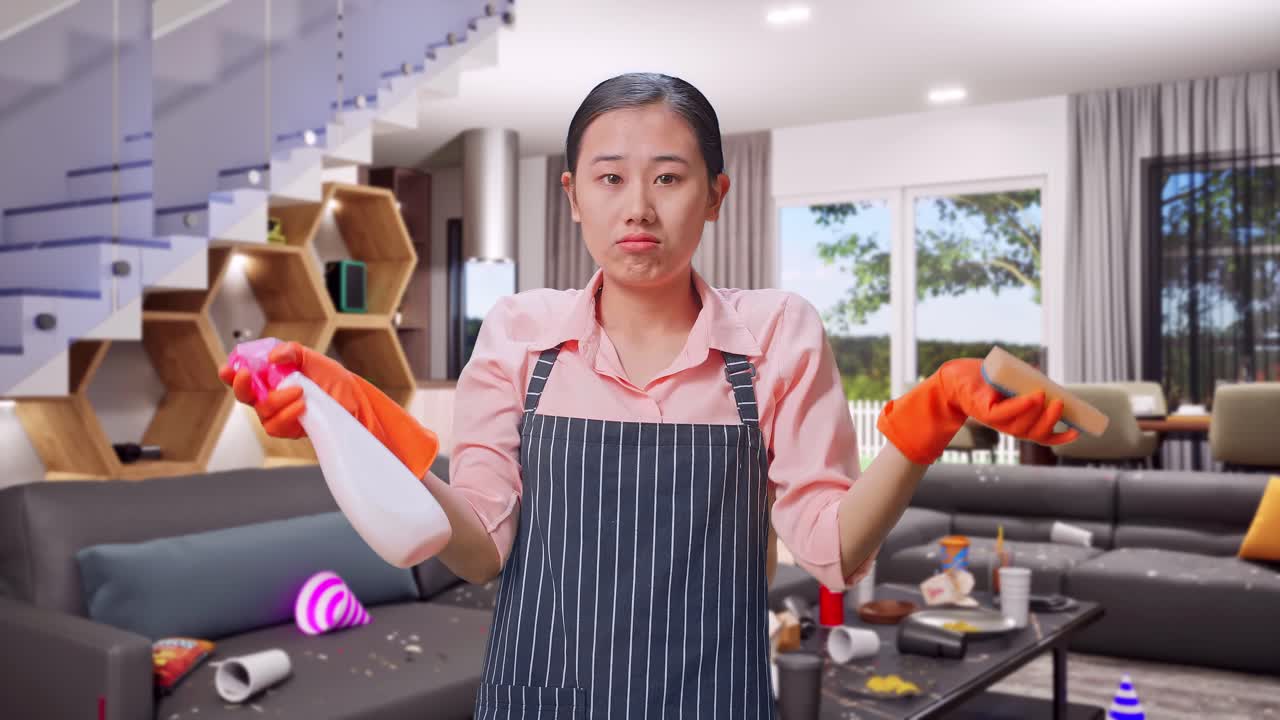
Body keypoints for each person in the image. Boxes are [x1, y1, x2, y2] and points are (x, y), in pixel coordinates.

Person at [220, 72, 1078, 718]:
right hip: (537, 696)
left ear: (714, 196)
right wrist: (359, 423)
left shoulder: (777, 335)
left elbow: (831, 552)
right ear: (573, 198)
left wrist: (924, 423)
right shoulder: (521, 332)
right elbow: (480, 550)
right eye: (610, 178)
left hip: (715, 698)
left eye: (669, 178)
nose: (639, 208)